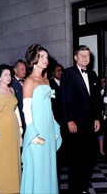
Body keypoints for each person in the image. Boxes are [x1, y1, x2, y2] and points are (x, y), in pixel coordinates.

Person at [20, 44, 62, 194]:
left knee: (49, 167)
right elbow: (26, 110)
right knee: (37, 167)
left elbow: (49, 107)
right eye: (42, 56)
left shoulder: (46, 81)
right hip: (36, 131)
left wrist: (55, 127)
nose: (46, 59)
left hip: (48, 129)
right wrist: (33, 134)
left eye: (46, 56)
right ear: (34, 59)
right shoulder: (29, 81)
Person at [60, 45, 102, 194]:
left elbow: (96, 99)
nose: (85, 58)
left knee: (90, 157)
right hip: (75, 123)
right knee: (75, 159)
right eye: (82, 55)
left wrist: (97, 117)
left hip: (90, 123)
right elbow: (64, 98)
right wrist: (69, 120)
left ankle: (83, 187)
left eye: (88, 56)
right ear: (75, 58)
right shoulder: (68, 73)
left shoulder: (93, 74)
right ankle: (74, 190)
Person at [0, 64, 22, 194]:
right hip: (0, 127)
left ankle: (14, 188)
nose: (9, 77)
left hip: (13, 126)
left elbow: (16, 108)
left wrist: (20, 127)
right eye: (6, 74)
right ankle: (2, 189)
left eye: (10, 75)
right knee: (2, 159)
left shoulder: (12, 90)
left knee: (13, 158)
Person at [49, 63, 68, 188]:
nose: (60, 72)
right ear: (53, 73)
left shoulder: (65, 83)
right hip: (55, 118)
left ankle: (63, 160)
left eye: (61, 70)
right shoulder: (50, 84)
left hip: (65, 118)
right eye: (58, 71)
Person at [11, 59, 27, 135]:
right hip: (18, 116)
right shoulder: (11, 84)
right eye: (22, 69)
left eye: (25, 69)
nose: (24, 71)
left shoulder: (27, 81)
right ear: (15, 70)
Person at [97, 76, 106, 156]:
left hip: (106, 114)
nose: (103, 83)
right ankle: (100, 150)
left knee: (103, 132)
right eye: (102, 81)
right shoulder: (97, 91)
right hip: (98, 114)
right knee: (100, 132)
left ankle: (102, 150)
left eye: (105, 81)